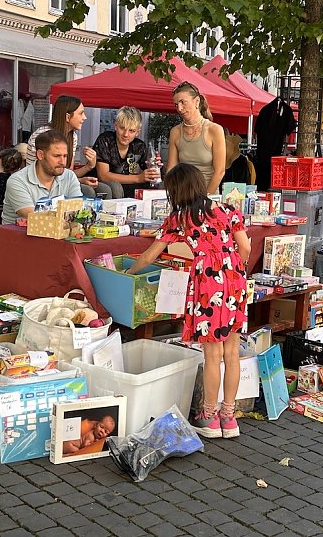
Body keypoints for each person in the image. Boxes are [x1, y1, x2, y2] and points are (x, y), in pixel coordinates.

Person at [125, 163, 250, 439]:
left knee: (212, 355)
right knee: (232, 353)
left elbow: (149, 255)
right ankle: (229, 418)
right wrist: (235, 267)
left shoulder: (180, 219)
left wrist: (127, 272)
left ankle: (209, 416)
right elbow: (246, 246)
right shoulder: (228, 210)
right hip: (235, 280)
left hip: (208, 283)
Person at [24, 95, 110, 198]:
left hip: (63, 182)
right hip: (40, 188)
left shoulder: (72, 136)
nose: (85, 117)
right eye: (81, 113)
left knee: (106, 189)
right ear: (68, 117)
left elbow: (67, 173)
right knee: (88, 191)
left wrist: (89, 166)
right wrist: (78, 181)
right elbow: (35, 176)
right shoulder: (40, 136)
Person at [2, 130, 82, 225]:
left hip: (58, 235)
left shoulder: (69, 176)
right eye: (57, 156)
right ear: (40, 155)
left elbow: (78, 210)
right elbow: (33, 216)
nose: (63, 162)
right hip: (20, 237)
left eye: (65, 156)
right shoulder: (17, 181)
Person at [166, 81, 226, 194]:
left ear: (197, 101)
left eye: (183, 102)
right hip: (183, 195)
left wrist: (205, 199)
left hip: (208, 194)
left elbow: (220, 171)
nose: (179, 108)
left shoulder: (215, 130)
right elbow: (171, 170)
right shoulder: (175, 132)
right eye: (176, 104)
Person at [93, 106, 160, 198]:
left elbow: (151, 174)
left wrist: (156, 168)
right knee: (115, 187)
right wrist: (138, 178)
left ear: (138, 132)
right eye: (122, 128)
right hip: (106, 189)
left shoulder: (140, 146)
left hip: (129, 189)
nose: (125, 134)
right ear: (115, 126)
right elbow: (103, 176)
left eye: (131, 131)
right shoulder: (105, 140)